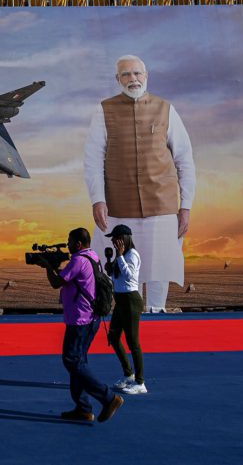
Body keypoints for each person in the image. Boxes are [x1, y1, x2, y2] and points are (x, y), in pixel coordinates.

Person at [84, 55, 196, 313]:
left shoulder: (166, 109)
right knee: (121, 269)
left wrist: (186, 205)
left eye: (137, 73)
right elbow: (92, 160)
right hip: (118, 207)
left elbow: (185, 160)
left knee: (159, 268)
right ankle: (127, 318)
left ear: (146, 76)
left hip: (162, 205)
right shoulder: (104, 110)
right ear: (118, 79)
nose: (132, 79)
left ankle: (157, 313)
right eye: (126, 74)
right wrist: (97, 199)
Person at [42, 227, 124, 423]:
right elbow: (72, 278)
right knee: (79, 361)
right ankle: (83, 408)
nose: (68, 245)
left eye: (70, 241)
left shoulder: (78, 260)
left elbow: (56, 282)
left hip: (81, 319)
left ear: (78, 244)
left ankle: (108, 398)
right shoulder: (92, 256)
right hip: (91, 318)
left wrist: (47, 266)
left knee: (71, 360)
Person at [103, 225, 146, 395]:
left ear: (124, 238)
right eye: (113, 238)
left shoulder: (132, 254)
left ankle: (140, 382)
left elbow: (129, 276)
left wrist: (119, 256)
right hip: (120, 301)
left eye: (116, 238)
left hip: (130, 301)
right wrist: (110, 267)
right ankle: (128, 374)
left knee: (133, 343)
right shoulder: (120, 255)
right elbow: (118, 278)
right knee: (113, 337)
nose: (113, 241)